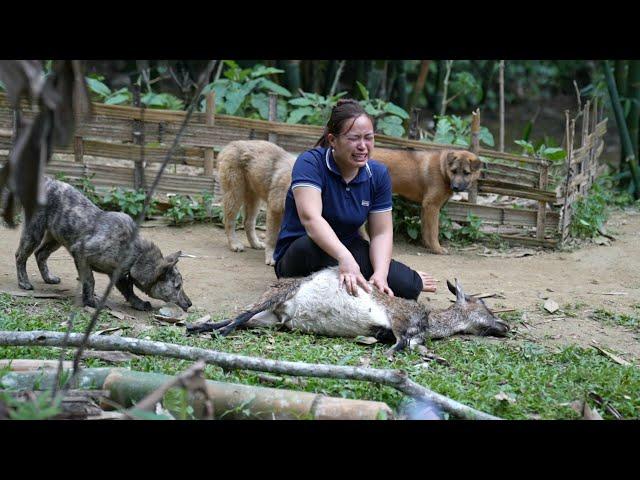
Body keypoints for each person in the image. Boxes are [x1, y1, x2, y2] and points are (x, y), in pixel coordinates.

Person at [272, 99, 437, 300]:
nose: (363, 146)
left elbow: (381, 232)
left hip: (348, 248)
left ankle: (397, 277)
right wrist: (345, 258)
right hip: (302, 251)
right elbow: (311, 219)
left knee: (406, 287)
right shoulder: (310, 163)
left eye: (369, 138)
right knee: (312, 248)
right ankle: (349, 266)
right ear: (332, 140)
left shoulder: (378, 174)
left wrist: (381, 274)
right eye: (353, 138)